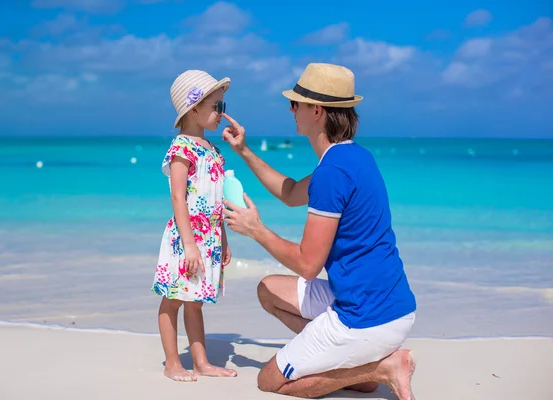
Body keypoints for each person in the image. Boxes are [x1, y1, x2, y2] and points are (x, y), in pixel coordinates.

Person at [221, 63, 417, 399]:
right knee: (268, 290)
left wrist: (256, 230)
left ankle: (378, 368)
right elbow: (291, 192)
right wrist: (244, 151)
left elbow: (309, 265)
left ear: (316, 111)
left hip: (365, 314)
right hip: (393, 305)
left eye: (295, 103)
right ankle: (356, 365)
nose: (290, 109)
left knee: (270, 381)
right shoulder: (354, 157)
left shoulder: (332, 172)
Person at [151, 70, 237, 382]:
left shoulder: (213, 151)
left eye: (222, 106)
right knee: (173, 297)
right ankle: (172, 363)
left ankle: (200, 361)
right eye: (217, 106)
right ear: (194, 109)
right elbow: (177, 197)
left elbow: (216, 201)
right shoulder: (182, 147)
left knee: (195, 300)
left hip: (209, 237)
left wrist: (224, 239)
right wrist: (188, 243)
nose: (222, 113)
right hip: (185, 237)